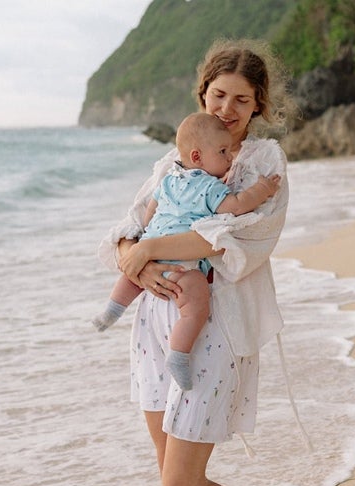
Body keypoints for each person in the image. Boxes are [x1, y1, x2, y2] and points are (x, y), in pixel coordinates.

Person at [98, 38, 295, 486]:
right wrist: (134, 256)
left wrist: (147, 249)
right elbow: (125, 231)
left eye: (242, 99)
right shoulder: (177, 161)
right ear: (203, 93)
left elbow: (226, 240)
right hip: (153, 327)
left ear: (258, 106)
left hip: (215, 327)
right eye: (218, 95)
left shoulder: (263, 165)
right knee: (170, 481)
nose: (227, 108)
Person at [92, 112, 281, 391]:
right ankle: (179, 355)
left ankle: (112, 310)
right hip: (183, 264)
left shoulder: (169, 180)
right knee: (196, 307)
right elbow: (238, 206)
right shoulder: (210, 187)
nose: (230, 158)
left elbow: (148, 214)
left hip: (152, 252)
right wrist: (261, 190)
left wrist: (149, 237)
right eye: (222, 151)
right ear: (196, 156)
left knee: (131, 277)